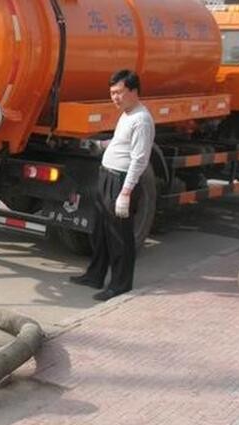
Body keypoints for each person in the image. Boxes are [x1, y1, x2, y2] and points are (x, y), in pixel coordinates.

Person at [70, 69, 155, 301]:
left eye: (119, 92)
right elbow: (121, 143)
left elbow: (139, 160)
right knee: (101, 232)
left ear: (134, 91)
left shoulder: (141, 120)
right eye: (112, 93)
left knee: (119, 237)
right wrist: (101, 145)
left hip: (121, 181)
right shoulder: (126, 114)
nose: (115, 97)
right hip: (107, 177)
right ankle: (95, 275)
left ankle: (120, 285)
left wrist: (126, 192)